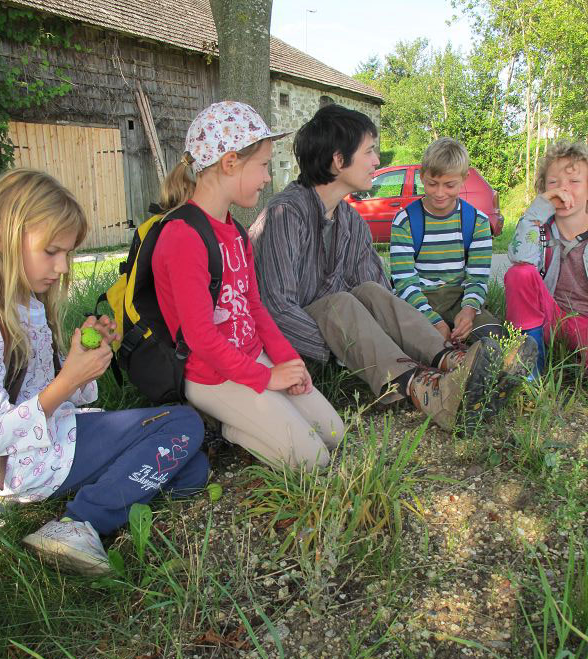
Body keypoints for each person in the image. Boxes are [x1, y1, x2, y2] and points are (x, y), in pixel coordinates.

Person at [250, 105, 531, 433]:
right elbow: (276, 310)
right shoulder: (285, 215)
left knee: (370, 292)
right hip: (291, 342)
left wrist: (391, 335)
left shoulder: (351, 220)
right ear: (339, 161)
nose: (376, 161)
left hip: (347, 327)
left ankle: (453, 362)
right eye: (369, 151)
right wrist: (348, 345)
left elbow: (376, 290)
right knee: (340, 303)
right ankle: (427, 390)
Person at [0, 169, 209, 576]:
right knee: (182, 423)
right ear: (3, 238)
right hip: (25, 460)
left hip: (52, 442)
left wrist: (84, 367)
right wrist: (69, 378)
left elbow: (57, 395)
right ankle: (79, 522)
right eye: (51, 251)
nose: (61, 267)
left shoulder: (31, 306)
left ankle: (101, 496)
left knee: (192, 467)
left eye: (68, 254)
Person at [152, 101, 344, 470]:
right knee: (314, 459)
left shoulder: (236, 232)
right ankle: (230, 429)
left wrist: (288, 361)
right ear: (230, 163)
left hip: (253, 359)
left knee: (335, 434)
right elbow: (201, 338)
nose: (267, 177)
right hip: (212, 376)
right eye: (263, 166)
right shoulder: (183, 236)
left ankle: (261, 419)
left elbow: (255, 309)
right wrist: (267, 378)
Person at [390, 136, 502, 342]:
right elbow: (404, 282)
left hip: (459, 298)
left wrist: (469, 311)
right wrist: (434, 321)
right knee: (408, 339)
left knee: (493, 334)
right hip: (417, 299)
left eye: (449, 185)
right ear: (422, 177)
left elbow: (477, 278)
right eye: (432, 184)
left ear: (464, 178)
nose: (440, 193)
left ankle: (470, 360)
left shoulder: (478, 221)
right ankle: (439, 361)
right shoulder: (404, 220)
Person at [505, 140, 588, 373]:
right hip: (545, 320)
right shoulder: (540, 228)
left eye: (574, 182)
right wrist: (537, 211)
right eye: (553, 183)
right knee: (519, 273)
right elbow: (520, 258)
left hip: (584, 324)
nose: (563, 190)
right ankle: (531, 368)